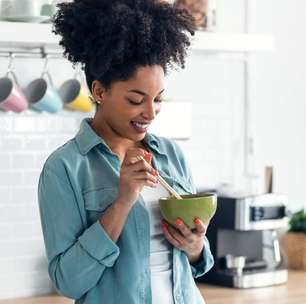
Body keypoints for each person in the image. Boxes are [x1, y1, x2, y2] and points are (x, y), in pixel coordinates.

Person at [38, 0, 214, 303]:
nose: (151, 112)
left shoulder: (171, 154)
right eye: (136, 99)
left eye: (158, 99)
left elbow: (197, 265)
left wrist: (195, 246)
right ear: (99, 91)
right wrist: (122, 202)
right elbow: (68, 282)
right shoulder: (64, 168)